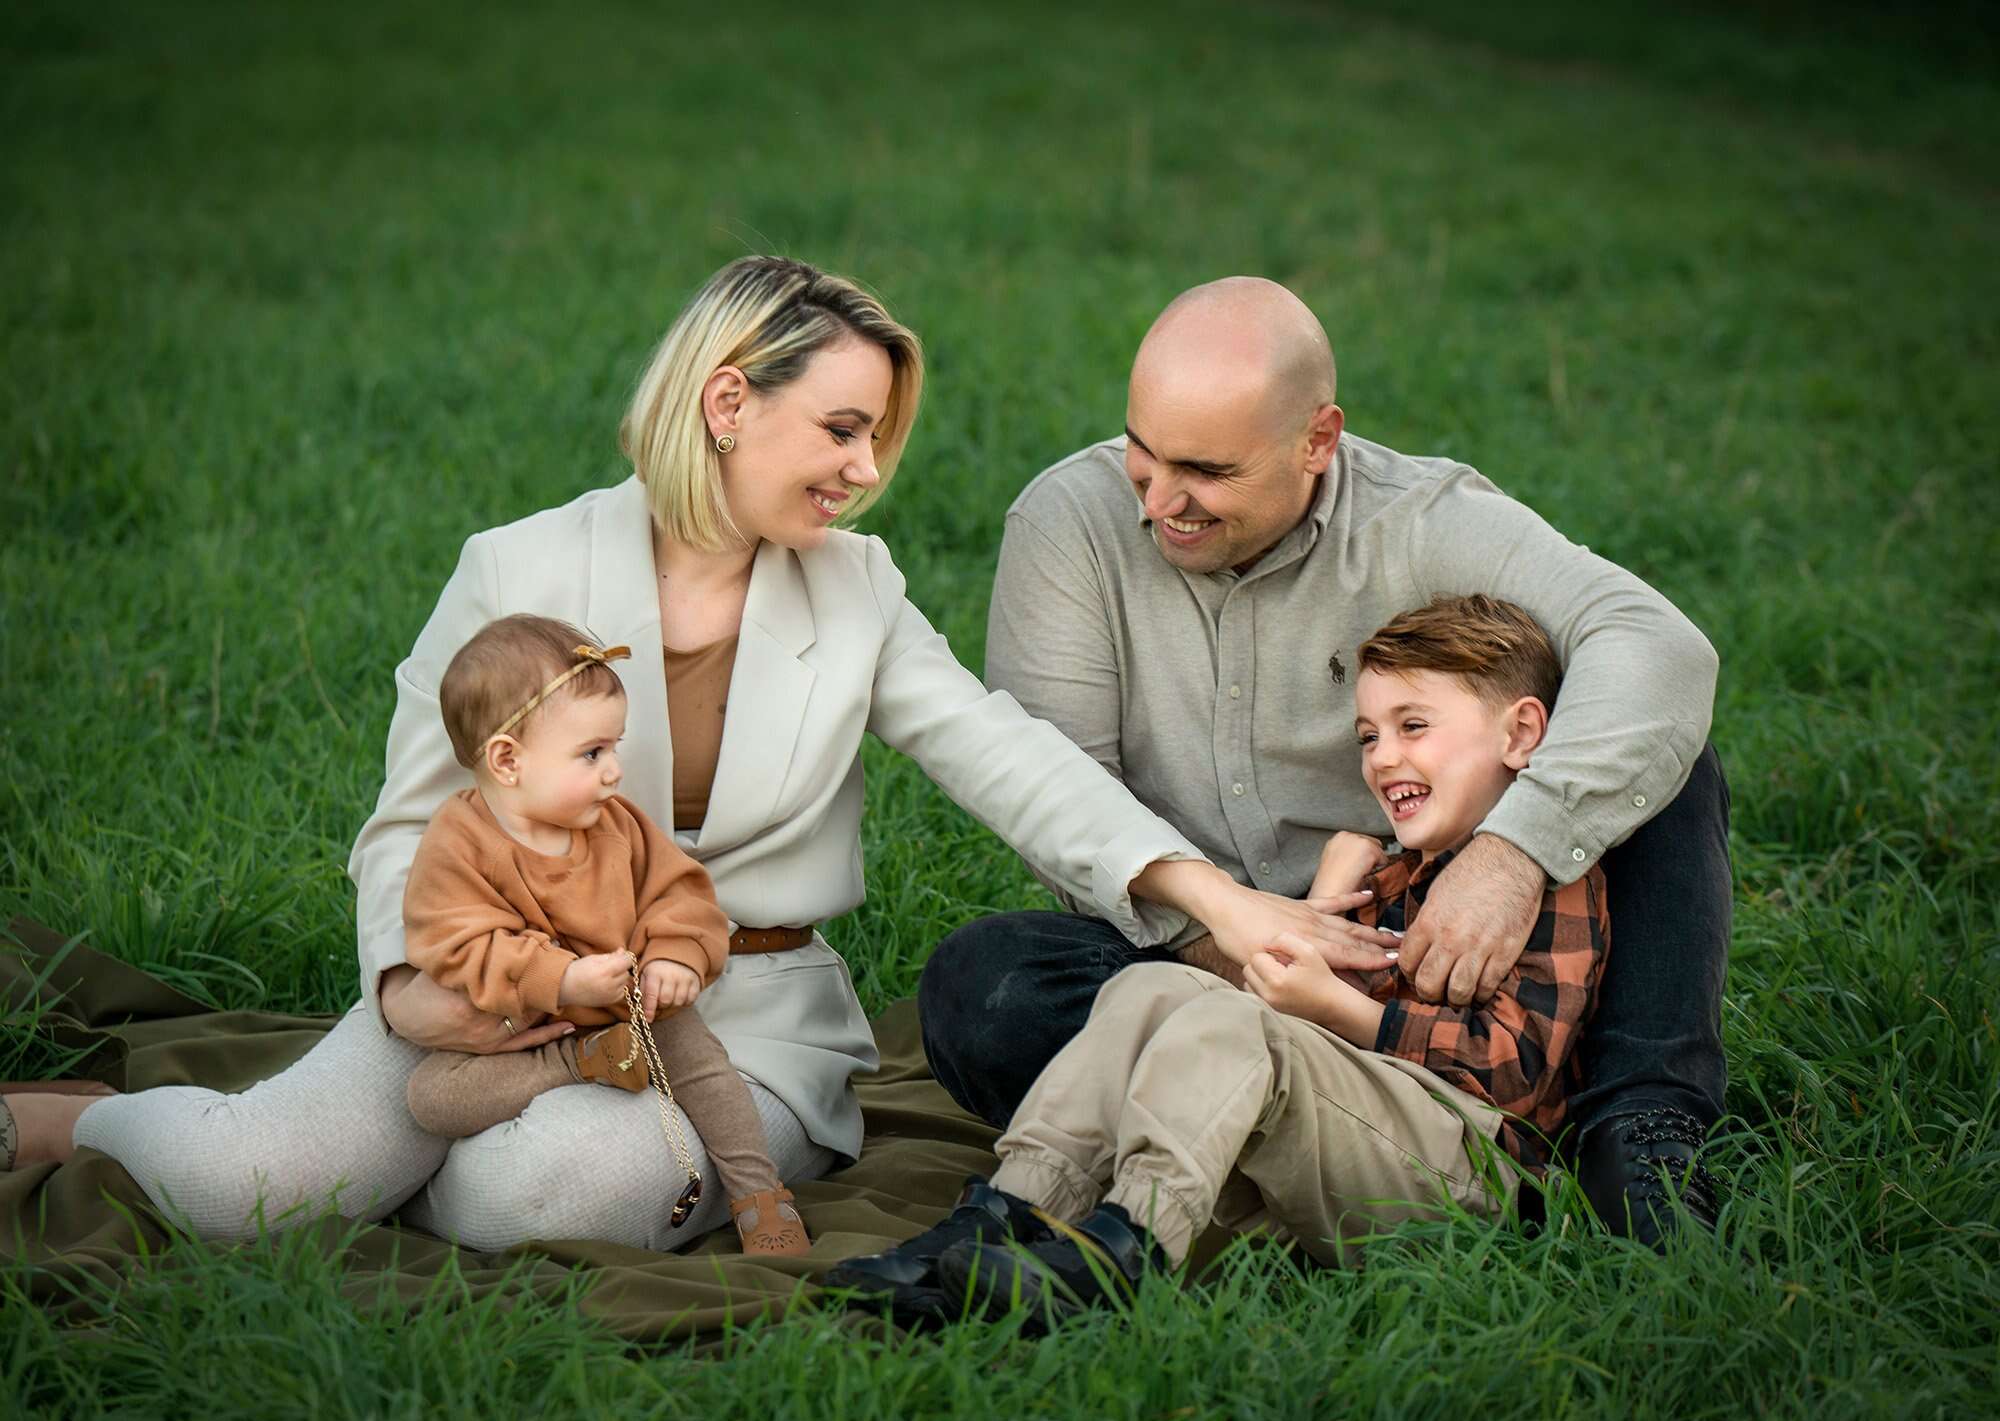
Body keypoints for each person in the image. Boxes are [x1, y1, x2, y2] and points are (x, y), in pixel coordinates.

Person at [1, 257, 1390, 1252]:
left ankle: (409, 1157)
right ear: (730, 403)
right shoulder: (522, 566)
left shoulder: (856, 584)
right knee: (256, 1186)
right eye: (843, 428)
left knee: (545, 1196)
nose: (865, 470)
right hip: (497, 989)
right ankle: (95, 1124)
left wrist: (1219, 901)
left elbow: (1004, 752)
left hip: (750, 1015)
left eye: (880, 440)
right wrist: (427, 991)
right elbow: (401, 828)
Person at [918, 277, 1727, 1246]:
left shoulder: (1420, 517)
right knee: (985, 986)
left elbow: (1659, 646)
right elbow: (1061, 794)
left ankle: (1636, 1125)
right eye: (1141, 453)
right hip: (1189, 951)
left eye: (1206, 471)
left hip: (1421, 954)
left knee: (1658, 755)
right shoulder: (1067, 526)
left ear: (1316, 439)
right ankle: (1252, 1126)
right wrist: (1225, 940)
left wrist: (1510, 856)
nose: (1156, 502)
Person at [838, 595, 1606, 1325]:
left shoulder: (1547, 881)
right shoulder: (1397, 872)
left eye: (1414, 726)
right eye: (1370, 736)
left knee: (1231, 1020)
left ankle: (1130, 1245)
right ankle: (1007, 1214)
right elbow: (1304, 1029)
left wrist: (1336, 1005)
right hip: (1370, 1134)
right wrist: (1337, 889)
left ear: (1520, 733)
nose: (1383, 757)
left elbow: (1512, 1074)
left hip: (1476, 1169)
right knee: (1153, 985)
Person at [396, 613, 807, 1255]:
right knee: (433, 1097)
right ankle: (577, 1063)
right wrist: (556, 978)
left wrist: (675, 957)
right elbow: (455, 940)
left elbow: (678, 891)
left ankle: (760, 1194)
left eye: (613, 748)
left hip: (634, 1005)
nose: (615, 771)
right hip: (524, 1028)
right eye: (593, 754)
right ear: (508, 760)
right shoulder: (458, 843)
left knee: (706, 1072)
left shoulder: (615, 825)